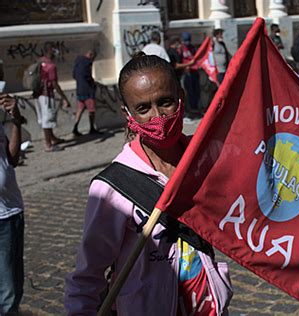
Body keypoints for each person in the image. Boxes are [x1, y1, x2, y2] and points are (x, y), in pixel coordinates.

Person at [64, 53, 233, 315]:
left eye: (165, 102)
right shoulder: (112, 188)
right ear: (127, 113)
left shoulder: (204, 160)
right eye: (143, 108)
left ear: (181, 97)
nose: (158, 117)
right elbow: (88, 275)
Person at [0, 93, 25, 315]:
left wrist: (15, 119)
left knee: (15, 286)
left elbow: (13, 158)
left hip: (12, 211)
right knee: (6, 292)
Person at [36, 42, 71, 151]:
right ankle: (48, 144)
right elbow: (55, 84)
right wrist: (64, 98)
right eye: (55, 49)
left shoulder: (39, 62)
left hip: (38, 94)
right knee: (47, 119)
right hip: (47, 96)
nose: (57, 51)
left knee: (44, 119)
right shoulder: (51, 66)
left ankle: (52, 138)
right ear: (50, 50)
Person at [72, 49, 101, 136]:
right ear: (91, 55)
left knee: (80, 109)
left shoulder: (78, 62)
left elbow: (74, 75)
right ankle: (92, 128)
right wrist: (93, 84)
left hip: (79, 89)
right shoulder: (87, 63)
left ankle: (75, 127)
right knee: (91, 110)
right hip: (88, 90)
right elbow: (88, 76)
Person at [178, 32, 201, 117]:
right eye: (185, 41)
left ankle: (196, 108)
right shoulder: (180, 49)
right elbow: (178, 61)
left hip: (194, 71)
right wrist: (185, 67)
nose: (187, 42)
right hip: (187, 73)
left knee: (196, 91)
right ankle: (192, 110)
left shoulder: (192, 48)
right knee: (189, 92)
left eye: (188, 40)